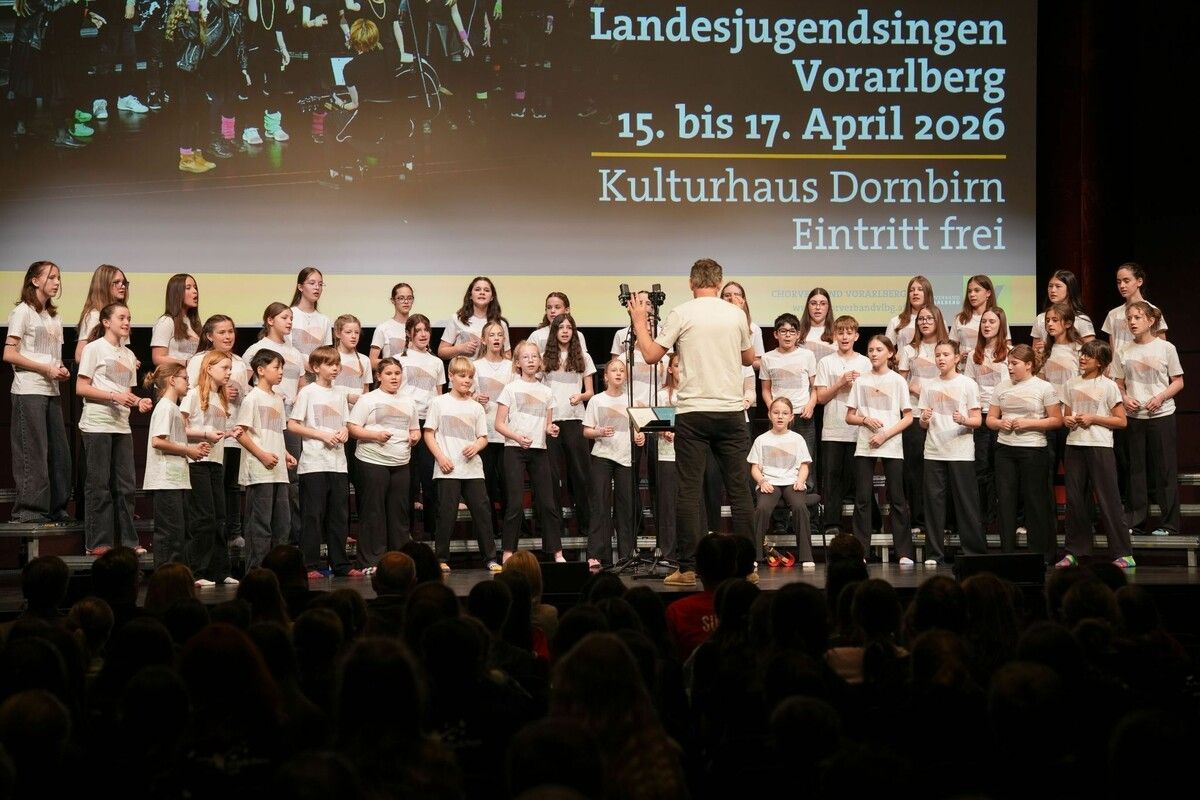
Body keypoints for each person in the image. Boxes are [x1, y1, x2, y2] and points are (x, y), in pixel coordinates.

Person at [628, 258, 755, 587]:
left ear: (690, 282)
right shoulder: (736, 314)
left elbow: (652, 355)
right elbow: (748, 358)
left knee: (688, 491)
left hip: (694, 413)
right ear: (720, 281)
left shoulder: (682, 313)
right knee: (740, 491)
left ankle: (687, 568)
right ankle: (748, 567)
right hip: (729, 412)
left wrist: (639, 321)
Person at [76, 303, 153, 555]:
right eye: (121, 317)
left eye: (129, 318)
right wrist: (113, 396)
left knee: (126, 487)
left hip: (121, 426)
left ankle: (128, 542)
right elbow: (82, 388)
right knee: (99, 485)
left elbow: (126, 394)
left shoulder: (129, 356)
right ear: (106, 322)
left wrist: (138, 401)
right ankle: (98, 542)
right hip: (97, 424)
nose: (127, 322)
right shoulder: (93, 349)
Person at [4, 261, 72, 525]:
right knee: (33, 451)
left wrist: (61, 369)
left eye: (58, 277)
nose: (57, 282)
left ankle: (57, 508)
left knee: (58, 452)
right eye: (51, 277)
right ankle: (30, 510)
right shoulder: (22, 312)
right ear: (34, 281)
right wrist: (45, 368)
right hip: (28, 390)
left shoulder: (54, 317)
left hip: (51, 390)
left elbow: (55, 357)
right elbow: (9, 353)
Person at [1113, 302, 1184, 537]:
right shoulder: (1123, 350)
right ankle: (1137, 520)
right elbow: (1118, 382)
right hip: (1134, 416)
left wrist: (1161, 396)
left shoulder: (1166, 348)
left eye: (1137, 317)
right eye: (1129, 318)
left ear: (1150, 321)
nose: (1132, 322)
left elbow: (1178, 381)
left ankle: (1169, 522)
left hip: (1161, 414)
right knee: (1135, 470)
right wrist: (1124, 398)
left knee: (1164, 469)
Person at [288, 346, 359, 578]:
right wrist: (321, 434)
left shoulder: (340, 393)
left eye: (337, 364)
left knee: (339, 515)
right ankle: (310, 564)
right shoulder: (308, 392)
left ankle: (340, 564)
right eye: (330, 364)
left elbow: (345, 423)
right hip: (314, 463)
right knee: (313, 515)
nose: (335, 368)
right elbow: (293, 424)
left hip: (338, 463)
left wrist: (344, 432)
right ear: (317, 367)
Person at [1058, 341, 1131, 568]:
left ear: (1099, 362)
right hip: (1075, 445)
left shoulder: (1108, 386)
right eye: (1082, 354)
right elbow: (1066, 414)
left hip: (1099, 446)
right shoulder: (1070, 383)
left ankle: (1123, 553)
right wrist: (1066, 420)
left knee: (1109, 499)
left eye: (1088, 356)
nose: (1082, 359)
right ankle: (1075, 551)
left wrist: (1094, 418)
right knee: (1075, 501)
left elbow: (1121, 421)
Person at [987, 345, 1062, 563]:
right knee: (1006, 501)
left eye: (1014, 363)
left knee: (1035, 502)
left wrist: (1028, 423)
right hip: (1005, 449)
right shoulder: (1001, 387)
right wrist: (1001, 422)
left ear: (1029, 365)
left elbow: (1056, 419)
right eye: (1008, 363)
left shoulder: (1043, 387)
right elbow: (990, 419)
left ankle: (1041, 554)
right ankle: (1007, 553)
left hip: (1033, 449)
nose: (1009, 368)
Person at [425, 356, 498, 573]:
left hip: (472, 469)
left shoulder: (476, 407)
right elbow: (429, 433)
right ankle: (441, 558)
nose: (467, 380)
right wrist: (440, 457)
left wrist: (476, 446)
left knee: (483, 514)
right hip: (448, 468)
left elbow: (483, 437)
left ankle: (490, 558)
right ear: (451, 376)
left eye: (470, 377)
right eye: (462, 376)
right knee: (446, 514)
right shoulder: (439, 403)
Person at [846, 335, 914, 564]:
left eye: (878, 349)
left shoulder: (897, 381)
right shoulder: (861, 381)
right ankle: (861, 552)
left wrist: (886, 434)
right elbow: (850, 416)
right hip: (865, 444)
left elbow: (908, 417)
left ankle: (904, 552)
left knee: (897, 498)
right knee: (863, 499)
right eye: (870, 350)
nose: (873, 354)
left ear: (890, 353)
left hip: (891, 443)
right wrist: (864, 420)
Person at [348, 357, 421, 570]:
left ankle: (398, 560)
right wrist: (375, 435)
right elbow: (353, 428)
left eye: (397, 373)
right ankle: (371, 561)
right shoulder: (368, 399)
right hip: (372, 460)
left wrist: (414, 437)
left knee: (399, 514)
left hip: (401, 461)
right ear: (379, 376)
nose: (394, 377)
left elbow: (414, 428)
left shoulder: (408, 401)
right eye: (389, 373)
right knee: (374, 512)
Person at [494, 341, 561, 563]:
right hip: (514, 449)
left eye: (534, 357)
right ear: (518, 363)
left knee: (547, 503)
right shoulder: (510, 389)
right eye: (526, 357)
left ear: (540, 361)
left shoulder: (547, 392)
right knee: (514, 503)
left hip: (539, 450)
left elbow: (548, 426)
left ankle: (556, 551)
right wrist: (516, 437)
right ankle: (507, 552)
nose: (531, 360)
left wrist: (551, 429)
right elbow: (499, 424)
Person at [917, 340, 984, 564]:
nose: (941, 359)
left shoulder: (968, 384)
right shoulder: (929, 385)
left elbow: (977, 420)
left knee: (966, 503)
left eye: (946, 354)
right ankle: (935, 553)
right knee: (934, 504)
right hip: (934, 451)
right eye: (938, 355)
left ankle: (973, 552)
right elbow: (923, 424)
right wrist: (924, 419)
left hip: (960, 452)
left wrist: (964, 420)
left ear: (957, 358)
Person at [181, 350, 242, 586]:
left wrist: (228, 433)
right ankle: (198, 571)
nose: (229, 372)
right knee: (203, 517)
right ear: (209, 368)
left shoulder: (221, 397)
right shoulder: (194, 394)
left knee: (219, 517)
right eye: (224, 368)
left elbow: (214, 430)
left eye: (230, 368)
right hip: (197, 462)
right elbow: (180, 427)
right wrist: (204, 433)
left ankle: (219, 570)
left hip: (216, 461)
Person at [143, 364, 210, 568]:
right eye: (184, 378)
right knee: (170, 535)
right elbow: (158, 441)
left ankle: (178, 576)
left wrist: (192, 447)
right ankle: (166, 579)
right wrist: (188, 451)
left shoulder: (173, 408)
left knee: (180, 534)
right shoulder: (165, 407)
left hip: (176, 479)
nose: (188, 383)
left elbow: (172, 441)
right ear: (172, 380)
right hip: (166, 480)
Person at [236, 349, 298, 569]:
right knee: (260, 526)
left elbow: (277, 433)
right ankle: (257, 571)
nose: (281, 372)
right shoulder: (252, 398)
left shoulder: (277, 400)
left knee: (282, 524)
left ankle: (278, 570)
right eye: (276, 367)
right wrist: (262, 455)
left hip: (278, 471)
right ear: (261, 370)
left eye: (282, 368)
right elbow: (239, 432)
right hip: (260, 471)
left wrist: (286, 455)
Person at [582, 359, 643, 568]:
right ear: (605, 376)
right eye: (613, 370)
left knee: (626, 505)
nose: (618, 373)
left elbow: (638, 427)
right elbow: (586, 430)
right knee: (600, 504)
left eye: (621, 370)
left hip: (625, 457)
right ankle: (597, 554)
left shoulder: (631, 399)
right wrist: (598, 431)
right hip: (602, 455)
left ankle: (627, 553)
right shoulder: (597, 400)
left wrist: (639, 437)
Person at [814, 315, 871, 535]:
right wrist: (840, 383)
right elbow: (820, 398)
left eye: (849, 332)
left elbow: (870, 395)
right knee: (832, 480)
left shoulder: (865, 362)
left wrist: (856, 388)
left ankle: (866, 527)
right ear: (835, 335)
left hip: (858, 429)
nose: (845, 336)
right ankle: (832, 524)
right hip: (833, 428)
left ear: (856, 336)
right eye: (841, 332)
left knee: (860, 481)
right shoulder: (826, 362)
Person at [541, 313, 595, 538]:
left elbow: (590, 391)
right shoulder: (545, 357)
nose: (565, 331)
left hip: (575, 419)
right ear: (554, 331)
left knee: (581, 474)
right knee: (552, 477)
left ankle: (586, 525)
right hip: (551, 421)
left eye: (568, 327)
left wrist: (580, 397)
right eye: (560, 327)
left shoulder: (583, 356)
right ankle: (554, 530)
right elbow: (539, 390)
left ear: (574, 331)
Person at [898, 305, 948, 539]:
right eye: (921, 319)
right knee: (915, 470)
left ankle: (944, 520)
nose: (925, 322)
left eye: (930, 318)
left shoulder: (946, 348)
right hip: (916, 413)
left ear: (938, 320)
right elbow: (900, 378)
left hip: (944, 415)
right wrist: (913, 386)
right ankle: (918, 519)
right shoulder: (910, 349)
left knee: (941, 470)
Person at [749, 398, 816, 569]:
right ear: (769, 415)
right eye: (776, 412)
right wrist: (762, 481)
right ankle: (755, 556)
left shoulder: (797, 438)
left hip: (792, 482)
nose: (780, 416)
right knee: (762, 509)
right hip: (769, 482)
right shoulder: (761, 439)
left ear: (791, 416)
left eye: (785, 413)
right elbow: (755, 468)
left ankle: (806, 556)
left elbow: (804, 466)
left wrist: (801, 481)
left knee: (800, 507)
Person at [398, 314, 446, 536]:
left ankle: (433, 532)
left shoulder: (436, 362)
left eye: (426, 329)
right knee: (406, 480)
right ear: (409, 333)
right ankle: (405, 531)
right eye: (418, 330)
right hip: (406, 423)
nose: (424, 334)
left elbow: (439, 395)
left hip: (429, 424)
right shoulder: (399, 360)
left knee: (430, 478)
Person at [963, 307, 1010, 526]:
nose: (987, 325)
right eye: (984, 322)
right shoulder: (975, 355)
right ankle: (984, 518)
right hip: (980, 416)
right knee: (981, 467)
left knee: (1002, 469)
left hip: (1002, 415)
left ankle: (1005, 518)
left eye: (992, 322)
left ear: (1001, 325)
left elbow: (1012, 386)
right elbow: (969, 386)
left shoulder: (1010, 353)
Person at [759, 313, 818, 485]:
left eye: (792, 331)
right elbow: (765, 390)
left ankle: (808, 503)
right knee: (779, 460)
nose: (787, 335)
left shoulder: (807, 355)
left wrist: (811, 404)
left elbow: (815, 386)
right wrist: (773, 410)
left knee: (806, 460)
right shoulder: (767, 358)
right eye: (783, 331)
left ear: (798, 334)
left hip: (802, 414)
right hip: (778, 417)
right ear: (776, 334)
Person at [473, 320, 513, 534]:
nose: (496, 338)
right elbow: (466, 394)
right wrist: (475, 396)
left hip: (507, 434)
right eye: (492, 335)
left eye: (500, 335)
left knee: (508, 485)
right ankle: (491, 529)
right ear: (484, 339)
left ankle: (511, 530)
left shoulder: (511, 366)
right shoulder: (476, 366)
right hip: (485, 433)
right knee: (487, 485)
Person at [438, 276, 509, 359]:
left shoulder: (500, 323)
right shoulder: (457, 318)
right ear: (470, 295)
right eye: (477, 289)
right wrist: (460, 348)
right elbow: (441, 352)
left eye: (486, 290)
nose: (482, 293)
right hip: (464, 370)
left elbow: (508, 355)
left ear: (492, 297)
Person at [1103, 262, 1168, 349]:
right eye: (1119, 282)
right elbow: (1113, 349)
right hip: (1119, 361)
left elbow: (1162, 346)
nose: (1122, 286)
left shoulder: (1152, 310)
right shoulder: (1113, 314)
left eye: (1126, 281)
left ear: (1139, 281)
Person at [1031, 270, 1096, 355]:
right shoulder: (1040, 318)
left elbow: (1092, 352)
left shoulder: (1080, 319)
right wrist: (1037, 351)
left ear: (1069, 289)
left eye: (1058, 286)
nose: (1052, 290)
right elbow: (1034, 352)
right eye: (1050, 286)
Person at [75, 264, 130, 363]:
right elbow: (80, 356)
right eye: (117, 282)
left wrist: (129, 360)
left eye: (124, 282)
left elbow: (119, 351)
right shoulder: (94, 316)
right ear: (104, 285)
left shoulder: (121, 317)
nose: (123, 286)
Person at [150, 273, 201, 367]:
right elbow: (157, 358)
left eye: (195, 287)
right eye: (188, 288)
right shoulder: (166, 321)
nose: (195, 291)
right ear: (176, 293)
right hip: (173, 377)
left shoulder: (192, 322)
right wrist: (187, 363)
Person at [290, 267, 332, 364]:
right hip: (291, 374)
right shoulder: (289, 315)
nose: (317, 287)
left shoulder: (324, 320)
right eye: (312, 283)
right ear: (300, 287)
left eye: (320, 284)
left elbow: (325, 354)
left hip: (316, 375)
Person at [949, 274, 999, 355]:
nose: (972, 294)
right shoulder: (960, 318)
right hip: (963, 366)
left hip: (988, 366)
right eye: (969, 291)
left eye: (977, 290)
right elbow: (951, 347)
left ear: (988, 293)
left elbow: (1006, 345)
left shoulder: (997, 317)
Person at [369, 282, 415, 369]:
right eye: (401, 298)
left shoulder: (418, 327)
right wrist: (398, 363)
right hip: (393, 378)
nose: (406, 301)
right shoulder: (383, 328)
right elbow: (372, 362)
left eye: (409, 298)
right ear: (393, 300)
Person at [885, 274, 936, 351]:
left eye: (920, 289)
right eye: (911, 290)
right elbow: (886, 350)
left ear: (928, 294)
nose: (915, 293)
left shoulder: (938, 320)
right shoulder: (896, 321)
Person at [797, 288, 837, 363]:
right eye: (813, 303)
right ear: (807, 306)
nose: (818, 308)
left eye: (823, 303)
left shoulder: (838, 332)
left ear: (828, 307)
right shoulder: (798, 333)